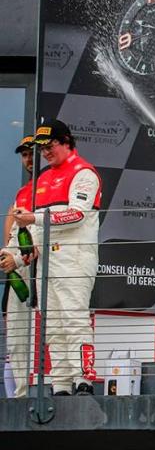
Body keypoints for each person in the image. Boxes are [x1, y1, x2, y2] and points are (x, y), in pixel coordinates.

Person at [13, 119, 101, 396]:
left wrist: (35, 218)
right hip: (46, 262)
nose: (46, 153)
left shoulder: (84, 172)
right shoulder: (42, 179)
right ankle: (61, 385)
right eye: (42, 149)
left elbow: (78, 215)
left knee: (74, 319)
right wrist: (17, 250)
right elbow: (31, 227)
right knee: (51, 325)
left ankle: (84, 381)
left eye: (50, 146)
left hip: (75, 258)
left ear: (66, 142)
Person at [0, 135, 35, 397]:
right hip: (19, 271)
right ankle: (18, 397)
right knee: (15, 338)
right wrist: (8, 257)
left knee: (48, 332)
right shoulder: (22, 193)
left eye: (33, 153)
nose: (29, 159)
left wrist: (20, 258)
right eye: (24, 155)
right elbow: (10, 237)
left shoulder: (55, 186)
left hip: (45, 270)